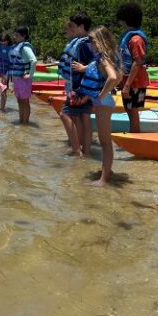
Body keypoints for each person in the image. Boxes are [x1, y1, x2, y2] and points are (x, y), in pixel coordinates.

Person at [73, 26, 122, 186]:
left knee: (105, 142)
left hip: (104, 102)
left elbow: (113, 77)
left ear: (100, 41)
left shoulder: (103, 58)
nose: (90, 44)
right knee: (104, 141)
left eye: (92, 40)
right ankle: (108, 171)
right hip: (105, 101)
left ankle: (103, 180)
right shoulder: (109, 56)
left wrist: (100, 96)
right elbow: (120, 76)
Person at [57, 12, 95, 157]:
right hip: (83, 88)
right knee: (83, 118)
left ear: (81, 27)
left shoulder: (85, 45)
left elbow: (96, 64)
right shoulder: (84, 42)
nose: (70, 29)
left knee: (64, 114)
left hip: (80, 89)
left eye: (72, 26)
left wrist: (85, 91)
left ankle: (76, 151)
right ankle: (85, 152)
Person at [115, 2, 149, 133]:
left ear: (126, 19)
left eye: (121, 20)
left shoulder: (135, 39)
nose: (120, 23)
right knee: (129, 110)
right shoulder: (127, 37)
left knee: (133, 111)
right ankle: (133, 134)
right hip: (127, 80)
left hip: (135, 81)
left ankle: (135, 136)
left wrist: (127, 85)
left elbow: (138, 62)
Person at [8, 26, 37, 125]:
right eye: (15, 34)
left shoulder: (25, 47)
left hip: (24, 79)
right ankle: (21, 122)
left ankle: (25, 123)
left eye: (17, 35)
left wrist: (30, 75)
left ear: (24, 36)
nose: (15, 37)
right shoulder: (17, 46)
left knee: (25, 101)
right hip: (17, 79)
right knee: (19, 101)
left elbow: (34, 60)